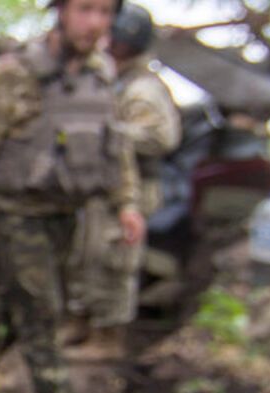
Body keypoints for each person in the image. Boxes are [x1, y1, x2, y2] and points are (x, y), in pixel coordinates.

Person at [0, 0, 144, 393]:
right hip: (15, 213)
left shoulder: (101, 74)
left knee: (11, 302)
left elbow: (114, 148)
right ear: (60, 11)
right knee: (43, 309)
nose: (96, 22)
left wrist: (127, 203)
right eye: (85, 9)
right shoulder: (16, 73)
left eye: (104, 12)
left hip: (66, 213)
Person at [63, 3, 181, 360]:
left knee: (115, 259)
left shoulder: (143, 87)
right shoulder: (111, 78)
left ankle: (108, 337)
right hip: (102, 187)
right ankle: (82, 321)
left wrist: (108, 134)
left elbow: (163, 138)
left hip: (133, 189)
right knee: (87, 255)